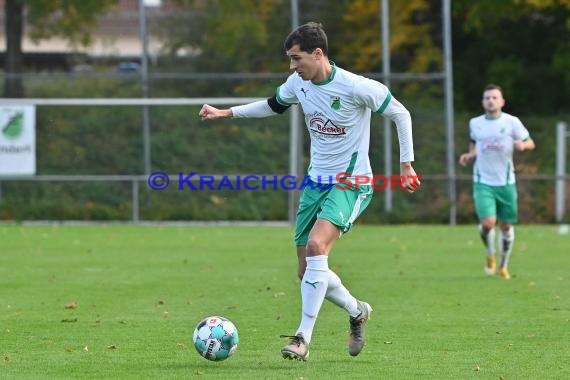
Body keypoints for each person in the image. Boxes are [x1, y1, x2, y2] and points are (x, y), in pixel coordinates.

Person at [199, 22, 419, 360]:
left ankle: (302, 338)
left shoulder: (357, 87)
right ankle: (357, 310)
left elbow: (400, 114)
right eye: (290, 59)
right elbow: (272, 105)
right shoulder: (298, 85)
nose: (292, 66)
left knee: (318, 246)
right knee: (307, 270)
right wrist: (226, 112)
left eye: (296, 58)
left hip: (352, 182)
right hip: (316, 182)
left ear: (318, 54)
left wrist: (406, 164)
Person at [459, 84, 535, 280]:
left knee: (506, 226)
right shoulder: (475, 123)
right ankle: (490, 253)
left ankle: (503, 265)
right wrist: (470, 155)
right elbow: (475, 144)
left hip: (506, 182)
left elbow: (530, 142)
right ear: (483, 102)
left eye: (494, 97)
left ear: (502, 101)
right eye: (487, 98)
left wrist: (523, 145)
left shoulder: (512, 122)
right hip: (483, 181)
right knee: (488, 223)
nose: (490, 100)